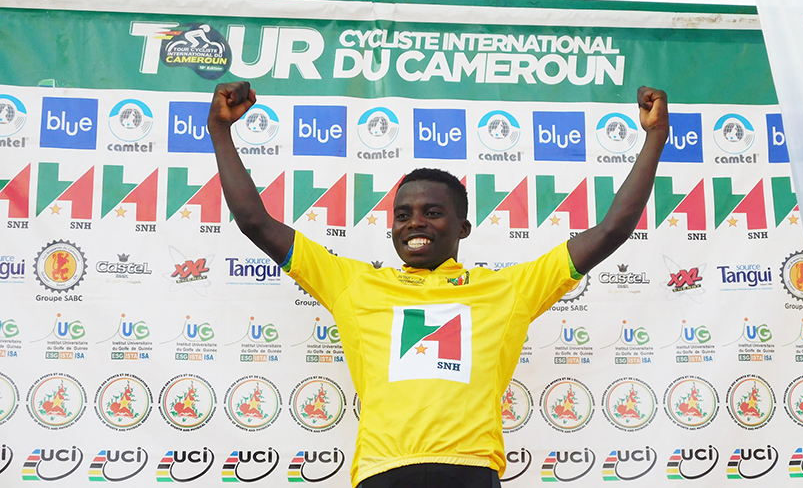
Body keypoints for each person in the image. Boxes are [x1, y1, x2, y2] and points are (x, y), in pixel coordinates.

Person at [208, 82, 669, 488]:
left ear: (463, 227)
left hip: (469, 470)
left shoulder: (509, 288)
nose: (415, 223)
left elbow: (611, 230)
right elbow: (254, 221)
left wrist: (654, 139)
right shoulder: (352, 282)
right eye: (403, 214)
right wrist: (221, 132)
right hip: (382, 472)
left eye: (432, 212)